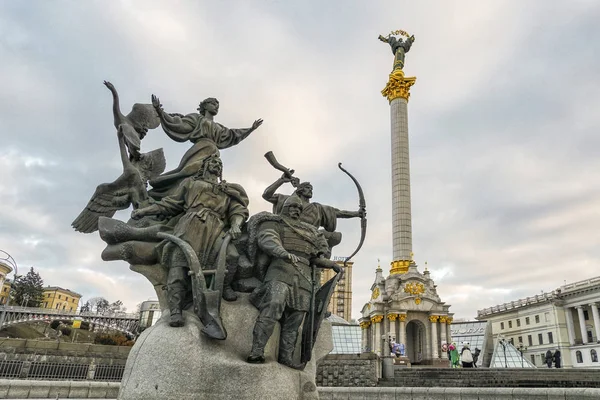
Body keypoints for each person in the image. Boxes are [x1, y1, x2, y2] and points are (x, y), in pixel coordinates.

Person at [132, 154, 249, 327]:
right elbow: (171, 204)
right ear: (205, 165)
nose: (216, 164)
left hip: (215, 228)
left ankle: (224, 286)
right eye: (213, 161)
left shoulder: (227, 190)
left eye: (219, 163)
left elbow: (238, 211)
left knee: (231, 256)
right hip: (190, 226)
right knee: (178, 266)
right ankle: (176, 310)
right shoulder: (191, 183)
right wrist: (145, 211)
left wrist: (236, 224)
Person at [246, 196, 339, 369]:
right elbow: (267, 238)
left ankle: (286, 357)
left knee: (295, 319)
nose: (296, 209)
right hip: (280, 270)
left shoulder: (310, 231)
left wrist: (331, 264)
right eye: (292, 206)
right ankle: (257, 350)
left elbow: (317, 257)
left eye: (298, 207)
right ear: (285, 207)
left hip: (303, 277)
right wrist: (282, 252)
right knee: (274, 304)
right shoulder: (276, 223)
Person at [148, 95, 263, 197]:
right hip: (200, 149)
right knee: (187, 172)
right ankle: (160, 187)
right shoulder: (197, 119)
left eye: (217, 105)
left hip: (213, 154)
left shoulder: (219, 127)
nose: (216, 106)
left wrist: (250, 129)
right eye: (213, 103)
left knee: (207, 178)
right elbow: (179, 125)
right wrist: (160, 111)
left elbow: (233, 135)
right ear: (205, 106)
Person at [262, 174, 364, 249]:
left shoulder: (317, 208)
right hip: (286, 238)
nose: (310, 190)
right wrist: (281, 180)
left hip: (309, 241)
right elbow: (266, 195)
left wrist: (357, 214)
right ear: (300, 190)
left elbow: (339, 213)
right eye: (307, 188)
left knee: (334, 237)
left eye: (311, 189)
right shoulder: (286, 200)